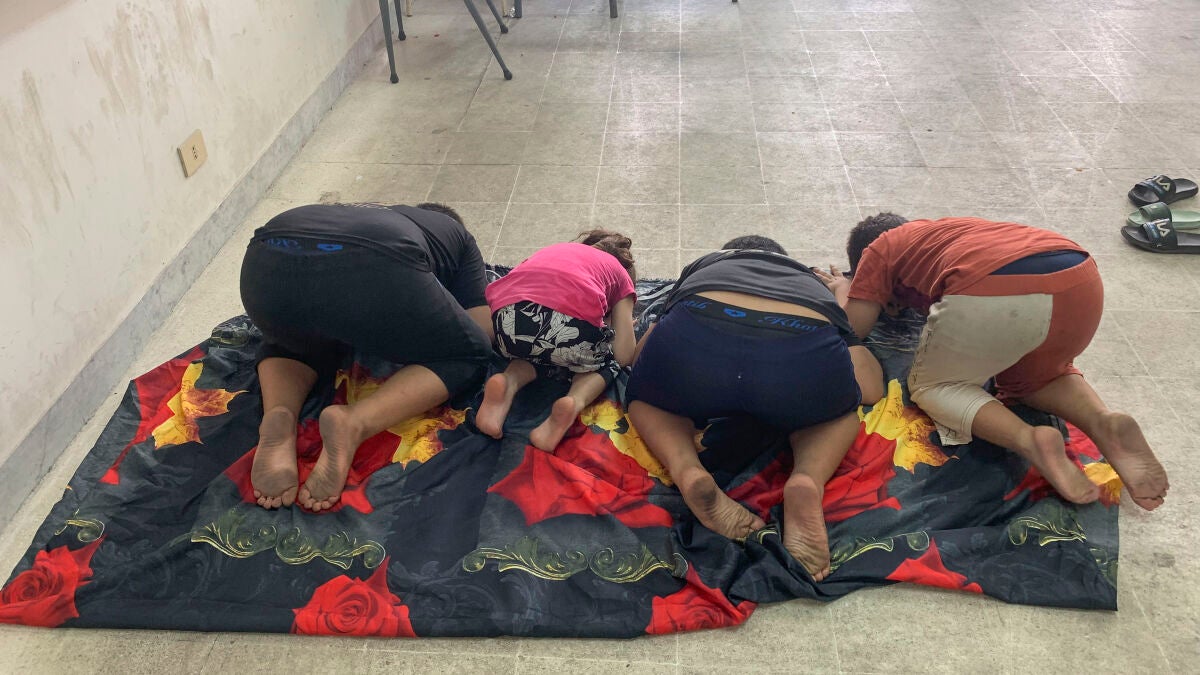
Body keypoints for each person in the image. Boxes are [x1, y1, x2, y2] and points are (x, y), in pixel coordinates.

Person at [827, 213, 1168, 511]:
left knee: (933, 386)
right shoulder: (943, 232)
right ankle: (1102, 421)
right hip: (1080, 277)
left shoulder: (878, 250)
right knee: (1038, 378)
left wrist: (845, 288)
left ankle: (1029, 440)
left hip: (997, 288)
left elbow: (852, 328)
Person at [625, 236, 885, 581]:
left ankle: (688, 471)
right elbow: (870, 389)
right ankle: (806, 480)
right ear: (784, 260)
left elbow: (641, 357)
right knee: (835, 417)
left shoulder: (706, 266)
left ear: (729, 252)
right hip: (797, 348)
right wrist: (841, 301)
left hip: (699, 332)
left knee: (647, 401)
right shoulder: (809, 284)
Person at [240, 202, 494, 512]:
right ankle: (354, 422)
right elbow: (480, 326)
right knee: (471, 352)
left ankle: (279, 413)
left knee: (295, 337)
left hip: (266, 256)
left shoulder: (370, 213)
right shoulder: (458, 236)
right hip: (376, 261)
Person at [476, 231, 637, 451]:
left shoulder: (554, 250)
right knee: (609, 361)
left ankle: (508, 382)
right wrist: (619, 328)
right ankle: (573, 402)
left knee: (535, 349)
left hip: (506, 324)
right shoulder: (621, 276)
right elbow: (625, 354)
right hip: (566, 332)